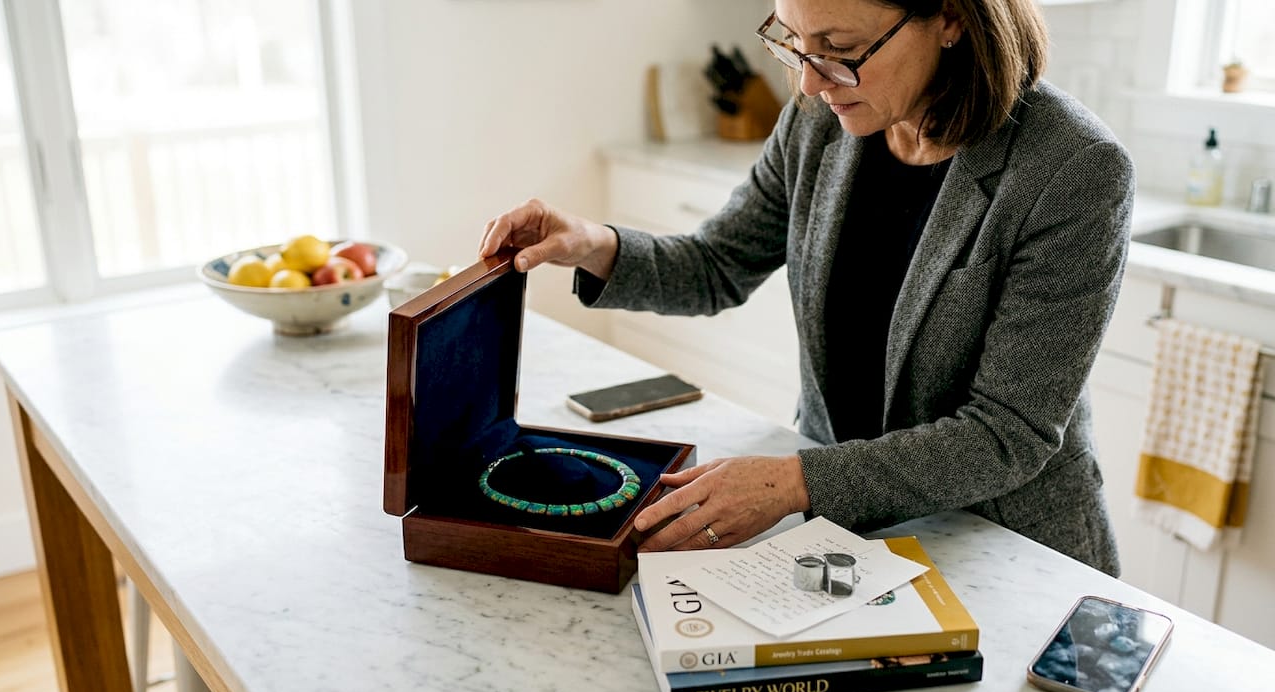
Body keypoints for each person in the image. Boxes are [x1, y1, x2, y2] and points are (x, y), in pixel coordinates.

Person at [478, 0, 1131, 576]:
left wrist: (797, 482)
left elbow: (1004, 434)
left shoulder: (1071, 168)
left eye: (840, 52)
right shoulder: (820, 120)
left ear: (953, 19)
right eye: (793, 42)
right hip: (854, 529)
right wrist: (591, 242)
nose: (810, 81)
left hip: (1001, 547)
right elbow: (716, 263)